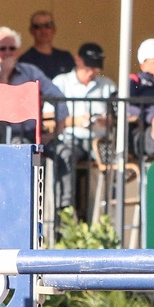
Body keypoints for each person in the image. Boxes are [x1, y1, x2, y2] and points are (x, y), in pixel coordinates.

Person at [50, 42, 118, 216]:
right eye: (88, 67)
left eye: (96, 68)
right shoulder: (61, 82)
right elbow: (48, 118)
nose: (92, 72)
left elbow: (118, 115)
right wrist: (75, 121)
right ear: (78, 61)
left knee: (114, 162)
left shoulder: (107, 84)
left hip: (98, 140)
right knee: (66, 156)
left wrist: (106, 120)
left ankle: (109, 212)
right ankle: (65, 211)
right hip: (70, 138)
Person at [0, 26, 67, 144]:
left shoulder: (31, 71)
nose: (7, 52)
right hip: (1, 137)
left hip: (34, 133)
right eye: (2, 48)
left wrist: (55, 133)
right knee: (23, 150)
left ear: (18, 51)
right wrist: (3, 75)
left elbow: (58, 97)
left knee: (65, 153)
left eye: (12, 48)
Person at [19, 10, 75, 80]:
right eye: (38, 26)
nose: (43, 30)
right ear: (31, 30)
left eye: (48, 25)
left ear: (54, 29)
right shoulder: (25, 60)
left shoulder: (66, 57)